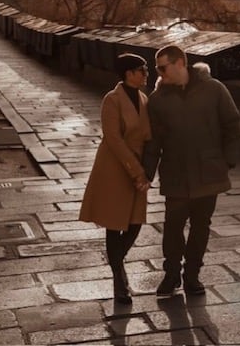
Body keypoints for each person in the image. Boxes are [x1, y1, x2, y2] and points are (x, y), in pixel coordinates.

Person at [144, 45, 240, 297]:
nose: (159, 73)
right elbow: (153, 142)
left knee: (201, 226)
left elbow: (233, 124)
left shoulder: (214, 89)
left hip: (209, 171)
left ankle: (192, 276)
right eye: (157, 68)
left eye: (162, 67)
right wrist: (146, 174)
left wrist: (227, 161)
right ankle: (171, 275)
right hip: (176, 172)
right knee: (172, 227)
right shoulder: (157, 100)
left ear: (180, 64)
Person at [79, 53, 151, 304]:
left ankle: (117, 266)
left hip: (137, 168)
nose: (146, 74)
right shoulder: (112, 100)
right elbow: (114, 138)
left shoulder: (143, 98)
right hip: (115, 168)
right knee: (114, 224)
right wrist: (137, 171)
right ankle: (119, 280)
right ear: (128, 73)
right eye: (142, 70)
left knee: (135, 222)